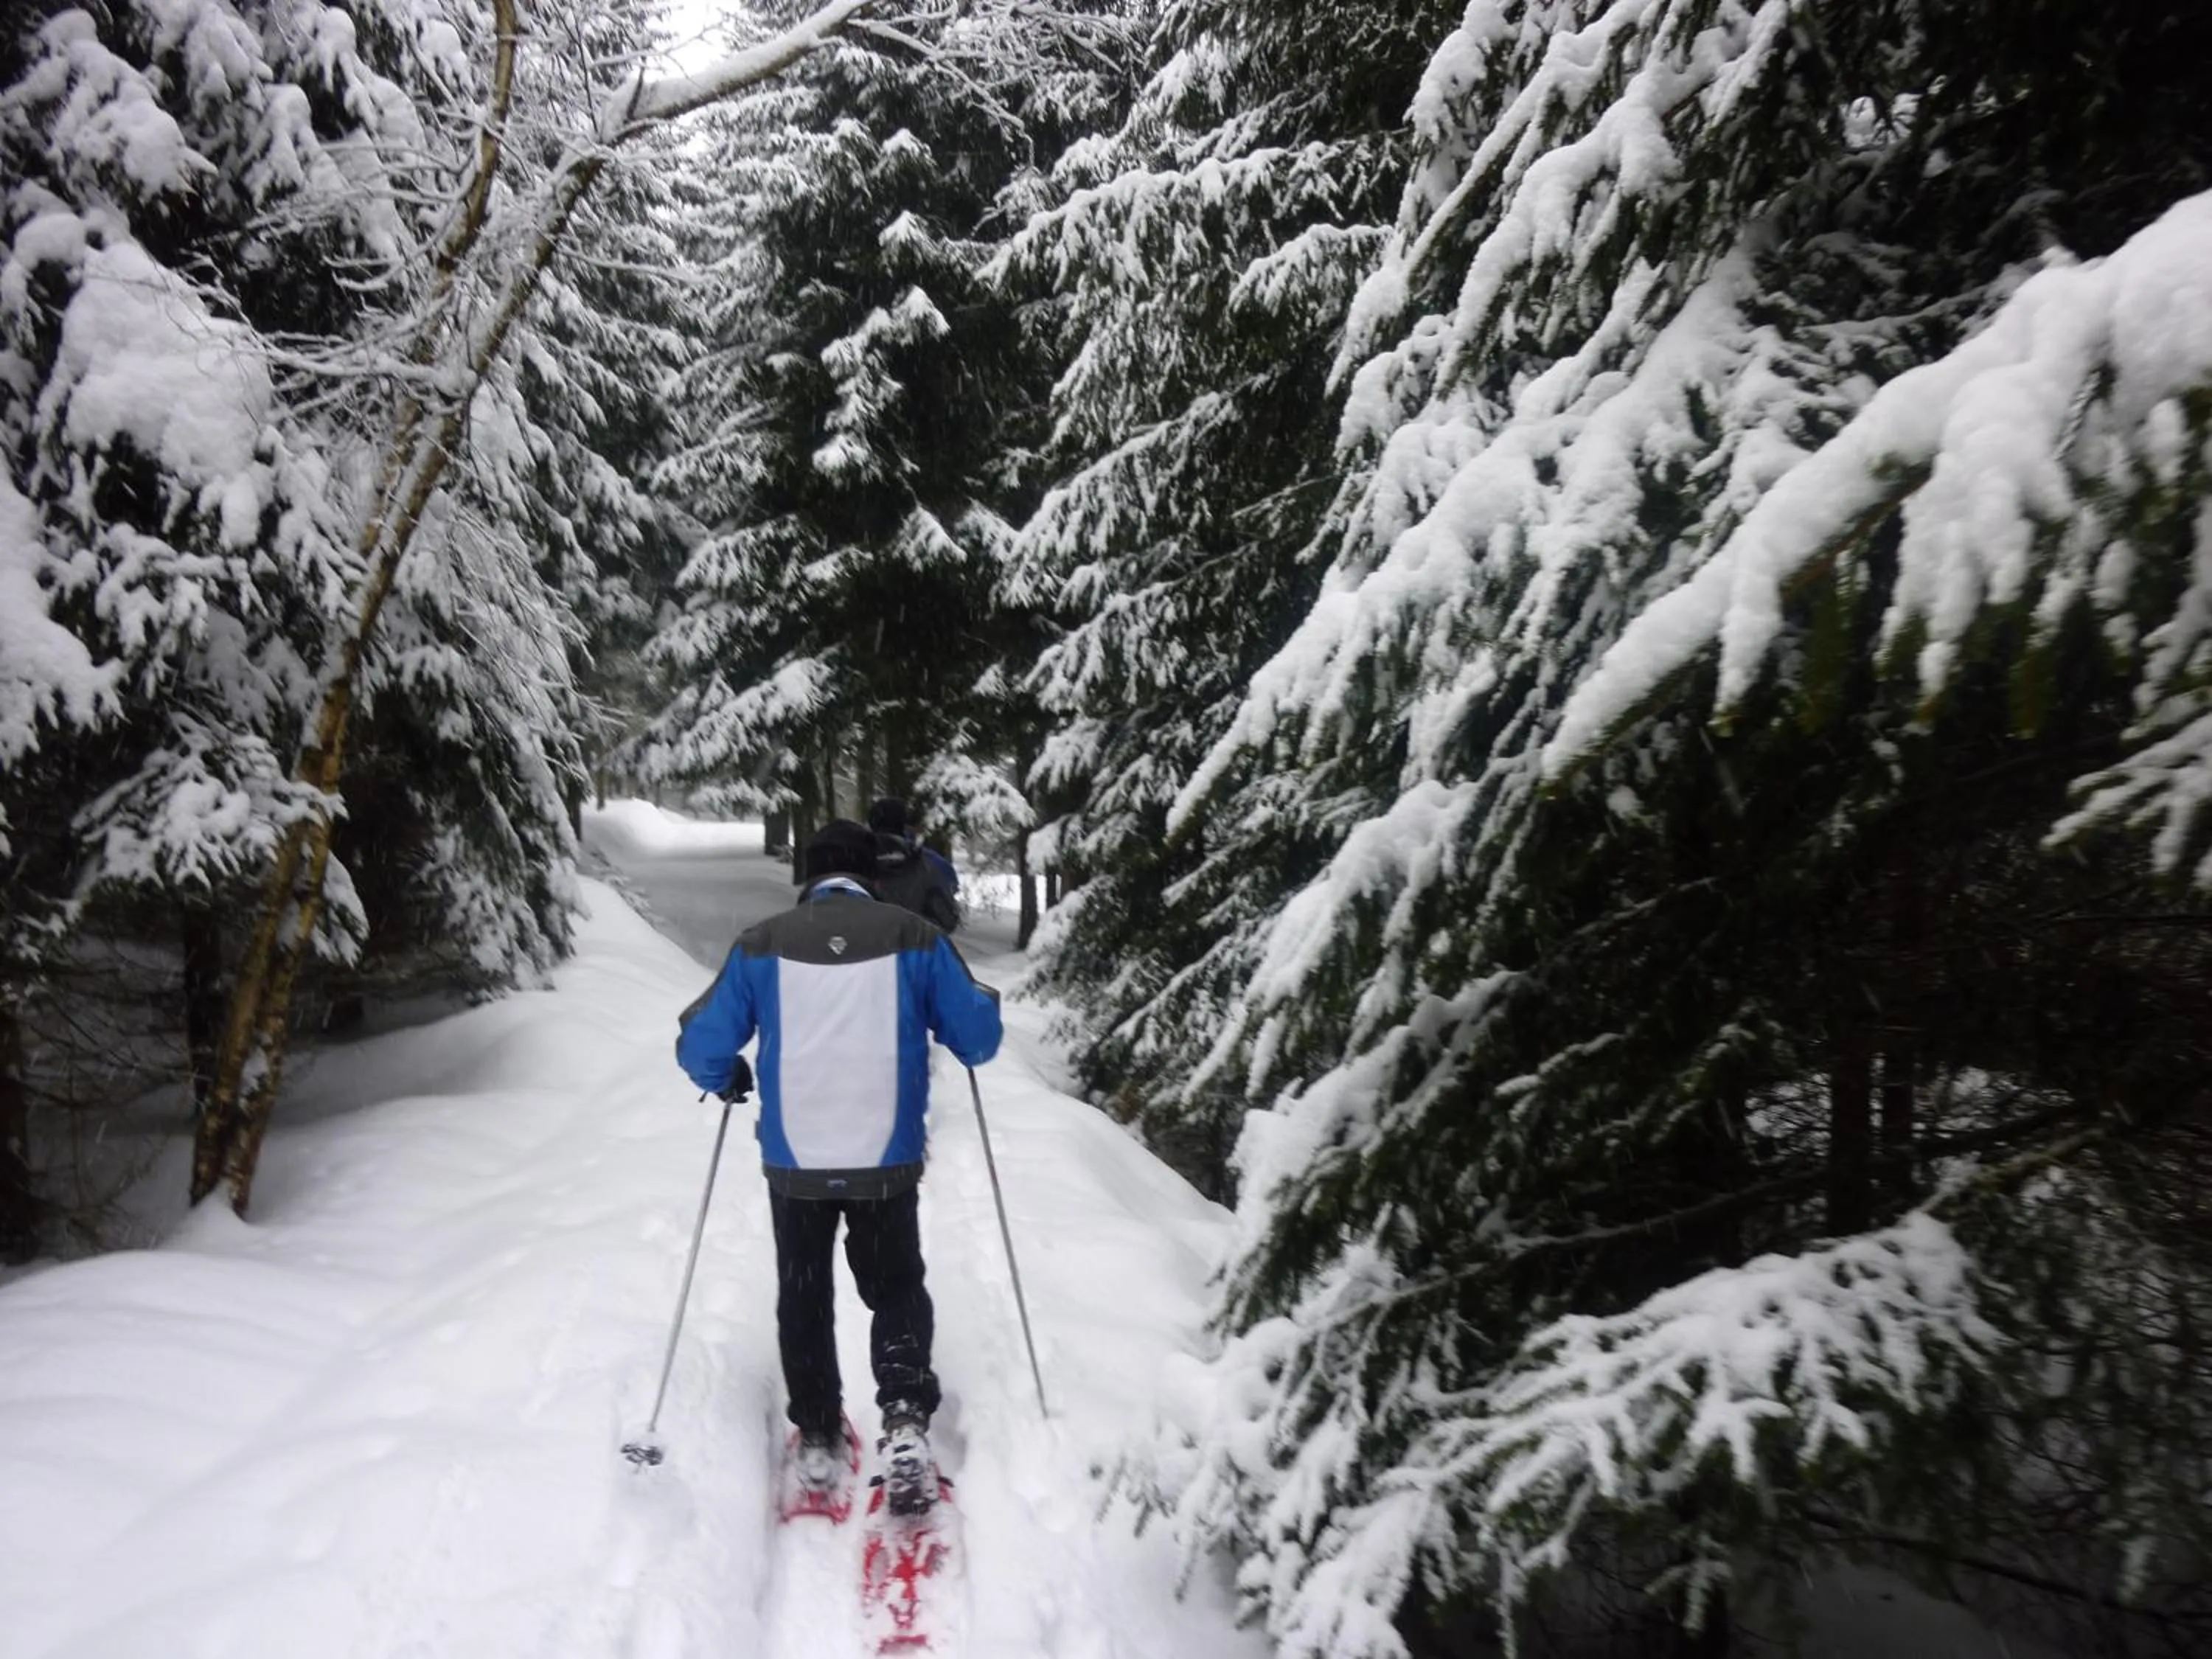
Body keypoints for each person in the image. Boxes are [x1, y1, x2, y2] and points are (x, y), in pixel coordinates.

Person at [674, 818, 1001, 1512]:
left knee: (805, 1291)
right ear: (870, 875)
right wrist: (973, 1022)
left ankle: (820, 1435)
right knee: (894, 1286)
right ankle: (906, 1418)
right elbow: (977, 1036)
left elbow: (700, 1041)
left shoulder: (762, 944)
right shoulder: (914, 938)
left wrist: (727, 1073)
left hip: (796, 1163)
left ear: (808, 877)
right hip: (887, 1159)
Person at [868, 796, 962, 934]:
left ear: (872, 824)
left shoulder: (853, 860)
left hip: (866, 949)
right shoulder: (931, 863)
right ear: (906, 825)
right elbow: (948, 919)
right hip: (915, 948)